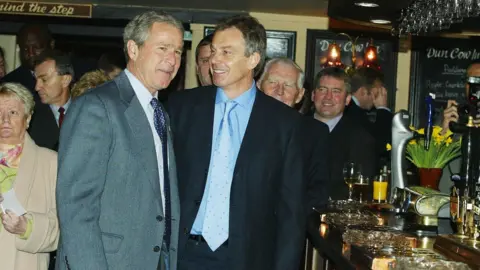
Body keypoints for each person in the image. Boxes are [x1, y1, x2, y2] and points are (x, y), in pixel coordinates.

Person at [168, 15, 306, 270]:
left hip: (247, 259)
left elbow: (291, 213)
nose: (215, 61)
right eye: (213, 52)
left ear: (253, 59)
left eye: (226, 52)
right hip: (184, 254)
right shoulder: (182, 108)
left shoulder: (284, 124)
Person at [55, 11, 183, 270]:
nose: (172, 60)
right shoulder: (97, 106)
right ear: (133, 49)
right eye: (163, 48)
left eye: (179, 51)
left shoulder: (159, 113)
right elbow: (76, 205)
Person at [257, 57, 330, 211]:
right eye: (272, 82)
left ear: (299, 95)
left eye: (288, 85)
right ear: (258, 86)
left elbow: (318, 191)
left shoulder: (315, 133)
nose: (280, 91)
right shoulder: (239, 124)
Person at [0, 82, 59, 270]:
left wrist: (27, 227)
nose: (4, 119)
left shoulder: (50, 162)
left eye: (13, 113)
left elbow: (64, 226)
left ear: (28, 118)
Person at [311, 67, 376, 199]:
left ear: (347, 100)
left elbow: (362, 192)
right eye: (322, 90)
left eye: (336, 91)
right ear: (313, 95)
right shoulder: (294, 130)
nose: (328, 97)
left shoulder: (361, 140)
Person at [29, 50, 73, 151]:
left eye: (44, 80)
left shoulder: (85, 111)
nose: (37, 87)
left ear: (65, 80)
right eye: (36, 80)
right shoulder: (29, 114)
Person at [346, 67, 392, 161]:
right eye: (377, 93)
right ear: (363, 91)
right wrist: (382, 109)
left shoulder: (353, 110)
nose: (380, 97)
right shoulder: (352, 113)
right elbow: (379, 145)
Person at [0, 24, 54, 94]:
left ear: (52, 44)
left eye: (36, 47)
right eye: (25, 49)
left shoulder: (65, 76)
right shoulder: (9, 83)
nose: (30, 53)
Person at [442, 60, 480, 134]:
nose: (476, 87)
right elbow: (434, 145)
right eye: (472, 80)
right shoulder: (453, 112)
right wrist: (444, 131)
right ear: (466, 85)